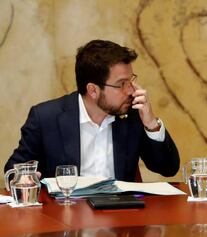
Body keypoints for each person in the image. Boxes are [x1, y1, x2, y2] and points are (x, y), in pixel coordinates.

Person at [4, 39, 180, 182]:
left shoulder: (133, 115)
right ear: (93, 90)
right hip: (65, 217)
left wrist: (151, 124)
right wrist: (24, 178)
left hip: (121, 217)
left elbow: (168, 168)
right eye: (121, 85)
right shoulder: (46, 118)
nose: (131, 91)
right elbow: (13, 169)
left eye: (131, 81)